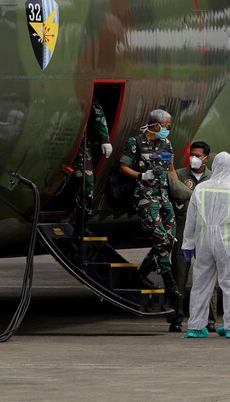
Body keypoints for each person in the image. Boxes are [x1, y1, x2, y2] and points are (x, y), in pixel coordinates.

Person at [181, 152, 230, 339]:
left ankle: (196, 326)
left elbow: (191, 219)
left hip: (203, 241)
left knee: (201, 284)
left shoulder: (201, 189)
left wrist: (188, 244)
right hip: (227, 241)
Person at [119, 109, 180, 300]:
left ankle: (139, 275)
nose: (168, 129)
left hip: (164, 197)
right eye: (167, 126)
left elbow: (171, 170)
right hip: (146, 199)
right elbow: (123, 167)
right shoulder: (135, 142)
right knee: (161, 240)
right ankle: (169, 283)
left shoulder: (166, 143)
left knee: (170, 239)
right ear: (156, 125)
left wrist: (178, 194)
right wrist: (140, 175)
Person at [166, 141, 218, 333]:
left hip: (206, 233)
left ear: (206, 158)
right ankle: (175, 317)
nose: (194, 158)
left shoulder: (213, 178)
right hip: (182, 230)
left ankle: (210, 319)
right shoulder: (179, 174)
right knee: (179, 275)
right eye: (192, 154)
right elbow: (173, 195)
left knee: (209, 278)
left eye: (198, 155)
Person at [70, 100, 112, 220]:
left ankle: (81, 222)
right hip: (61, 139)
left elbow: (97, 111)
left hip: (80, 144)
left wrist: (105, 139)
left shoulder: (84, 95)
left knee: (86, 183)